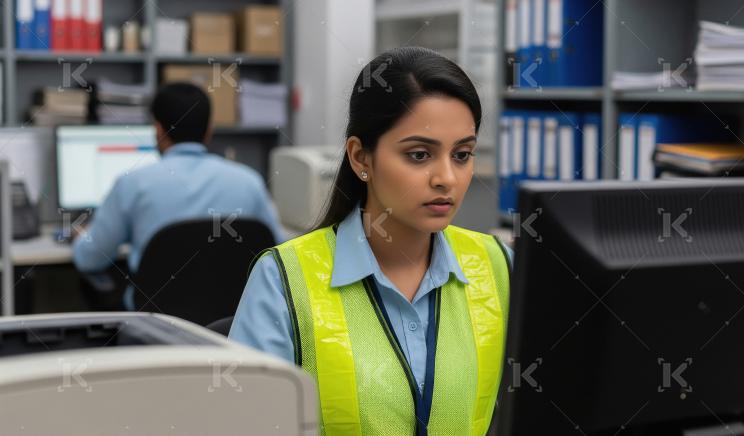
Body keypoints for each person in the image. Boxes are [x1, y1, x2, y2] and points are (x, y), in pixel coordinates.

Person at [229, 47, 512, 436]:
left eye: (462, 154)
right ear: (361, 158)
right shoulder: (285, 279)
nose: (446, 177)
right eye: (419, 155)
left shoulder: (498, 265)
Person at [73, 82, 287, 310]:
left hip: (156, 329)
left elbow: (90, 258)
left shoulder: (132, 184)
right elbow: (281, 256)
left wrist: (81, 236)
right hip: (230, 328)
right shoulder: (249, 182)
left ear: (157, 129)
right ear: (209, 130)